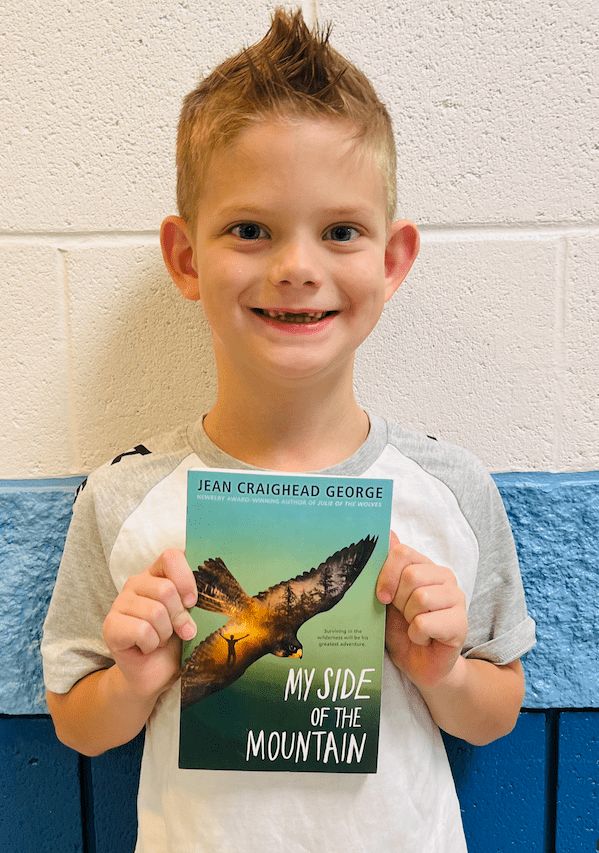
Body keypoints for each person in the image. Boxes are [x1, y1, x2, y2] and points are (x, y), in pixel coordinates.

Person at [42, 9, 535, 852]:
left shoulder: (448, 490)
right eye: (250, 229)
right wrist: (137, 678)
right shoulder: (125, 499)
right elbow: (79, 727)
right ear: (186, 257)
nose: (297, 266)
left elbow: (495, 713)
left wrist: (441, 670)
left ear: (391, 260)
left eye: (339, 230)